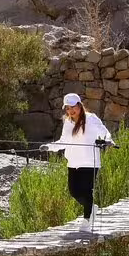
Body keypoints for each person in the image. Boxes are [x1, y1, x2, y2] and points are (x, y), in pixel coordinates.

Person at [40, 93, 114, 232]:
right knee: (74, 192)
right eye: (67, 108)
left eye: (72, 107)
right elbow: (64, 141)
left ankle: (87, 220)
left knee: (86, 191)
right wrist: (49, 147)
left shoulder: (91, 119)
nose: (70, 111)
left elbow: (105, 133)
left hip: (90, 162)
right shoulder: (68, 123)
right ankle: (91, 207)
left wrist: (108, 141)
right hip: (73, 162)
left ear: (79, 105)